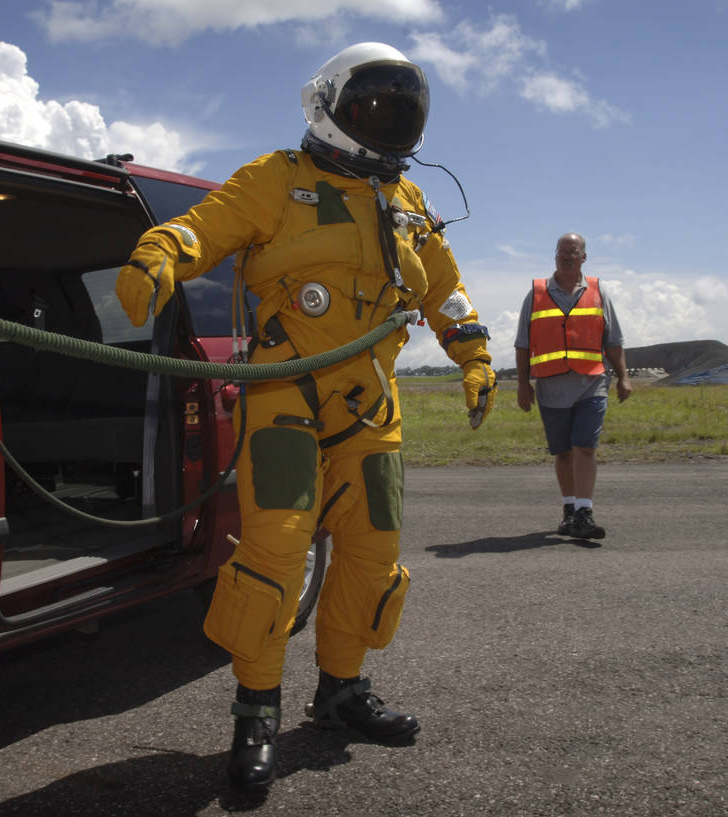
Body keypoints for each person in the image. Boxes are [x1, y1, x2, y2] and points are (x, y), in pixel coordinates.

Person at [114, 42, 495, 793]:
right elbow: (203, 228)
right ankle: (255, 712)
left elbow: (445, 293)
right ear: (326, 105)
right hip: (286, 395)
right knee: (276, 555)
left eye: (399, 106)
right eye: (372, 104)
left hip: (371, 408)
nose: (386, 119)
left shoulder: (409, 205)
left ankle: (341, 690)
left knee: (370, 554)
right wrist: (157, 255)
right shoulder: (274, 180)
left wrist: (474, 355)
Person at [514, 232, 630, 540]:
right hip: (552, 388)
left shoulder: (598, 291)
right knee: (563, 452)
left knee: (585, 447)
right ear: (555, 255)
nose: (566, 256)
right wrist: (523, 385)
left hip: (592, 383)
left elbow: (614, 340)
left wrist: (623, 377)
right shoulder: (536, 292)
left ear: (583, 257)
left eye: (573, 251)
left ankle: (584, 512)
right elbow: (523, 345)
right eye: (561, 252)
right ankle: (569, 510)